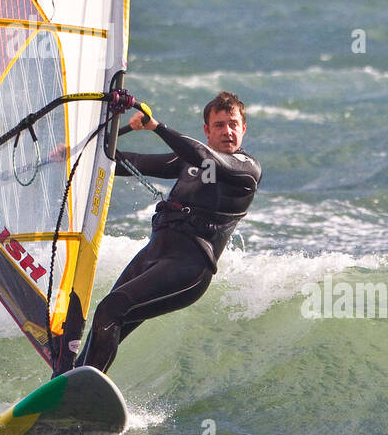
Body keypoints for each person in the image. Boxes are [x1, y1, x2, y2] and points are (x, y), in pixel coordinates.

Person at [73, 91, 262, 375]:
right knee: (105, 318)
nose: (228, 132)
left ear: (243, 128)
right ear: (207, 130)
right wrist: (79, 154)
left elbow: (201, 154)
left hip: (189, 268)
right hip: (155, 254)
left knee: (112, 310)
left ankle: (80, 393)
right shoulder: (189, 163)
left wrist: (156, 127)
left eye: (234, 124)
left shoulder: (245, 170)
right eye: (220, 125)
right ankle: (71, 382)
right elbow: (130, 161)